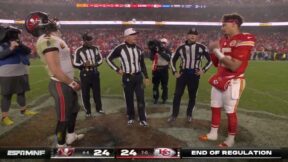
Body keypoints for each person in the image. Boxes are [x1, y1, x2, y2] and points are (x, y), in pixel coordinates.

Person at [25, 12, 84, 147]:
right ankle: (61, 145)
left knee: (74, 110)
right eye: (46, 19)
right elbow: (55, 70)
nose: (50, 21)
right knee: (63, 118)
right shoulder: (47, 40)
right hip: (61, 84)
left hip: (66, 81)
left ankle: (70, 136)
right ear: (40, 23)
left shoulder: (51, 37)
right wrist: (72, 83)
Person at [199, 13, 256, 147]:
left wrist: (217, 51)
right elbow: (216, 63)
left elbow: (234, 65)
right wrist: (212, 52)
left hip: (234, 81)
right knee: (215, 107)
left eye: (224, 25)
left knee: (230, 112)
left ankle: (230, 139)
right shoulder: (223, 40)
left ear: (234, 24)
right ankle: (213, 133)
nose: (222, 28)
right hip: (220, 78)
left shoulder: (245, 38)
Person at [106, 28, 150, 127]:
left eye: (135, 34)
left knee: (140, 98)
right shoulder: (120, 48)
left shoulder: (139, 49)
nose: (135, 36)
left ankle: (142, 118)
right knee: (129, 98)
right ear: (126, 37)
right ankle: (130, 116)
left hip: (138, 76)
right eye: (132, 35)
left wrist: (146, 77)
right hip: (127, 77)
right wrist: (117, 69)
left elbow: (142, 64)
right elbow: (108, 59)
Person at [169, 28, 212, 123]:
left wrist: (203, 70)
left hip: (194, 75)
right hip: (182, 74)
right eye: (191, 34)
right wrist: (174, 71)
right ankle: (174, 115)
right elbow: (173, 60)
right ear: (187, 36)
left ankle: (189, 114)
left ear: (197, 37)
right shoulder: (180, 47)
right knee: (177, 95)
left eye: (195, 34)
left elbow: (210, 60)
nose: (193, 36)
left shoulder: (202, 47)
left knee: (192, 96)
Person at [0, 24, 37, 126]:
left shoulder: (18, 43)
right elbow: (1, 55)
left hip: (22, 71)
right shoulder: (2, 44)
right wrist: (11, 48)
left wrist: (20, 45)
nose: (16, 35)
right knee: (7, 95)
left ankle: (23, 110)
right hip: (7, 73)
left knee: (21, 92)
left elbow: (28, 51)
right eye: (13, 33)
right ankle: (4, 117)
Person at [73, 32, 104, 117]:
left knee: (97, 93)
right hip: (85, 74)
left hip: (94, 73)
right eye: (89, 40)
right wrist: (84, 65)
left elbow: (101, 59)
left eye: (91, 40)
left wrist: (95, 64)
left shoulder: (96, 49)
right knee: (85, 94)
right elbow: (75, 63)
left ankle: (99, 108)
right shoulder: (79, 50)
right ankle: (88, 111)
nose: (91, 42)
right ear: (84, 40)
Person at [149, 38, 171, 104]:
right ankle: (155, 98)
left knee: (164, 86)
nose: (163, 44)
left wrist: (159, 52)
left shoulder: (167, 50)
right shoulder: (154, 50)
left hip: (164, 70)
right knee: (155, 86)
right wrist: (154, 51)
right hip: (156, 70)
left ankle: (164, 98)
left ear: (166, 44)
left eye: (164, 43)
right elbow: (151, 58)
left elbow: (168, 58)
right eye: (162, 43)